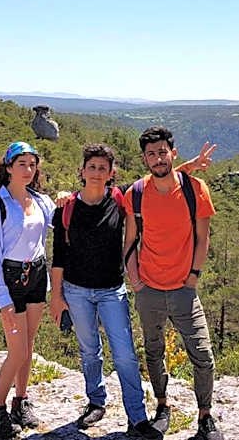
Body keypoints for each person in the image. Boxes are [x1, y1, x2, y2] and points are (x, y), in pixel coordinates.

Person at [50, 144, 163, 439]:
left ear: (111, 173)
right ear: (82, 171)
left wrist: (188, 166)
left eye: (103, 168)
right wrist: (56, 296)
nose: (97, 172)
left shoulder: (119, 198)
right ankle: (96, 401)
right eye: (92, 167)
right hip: (76, 290)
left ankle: (137, 418)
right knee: (89, 351)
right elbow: (59, 256)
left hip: (112, 290)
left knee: (124, 354)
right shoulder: (66, 208)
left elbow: (156, 180)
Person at [123, 126, 223, 440]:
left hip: (183, 289)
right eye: (151, 154)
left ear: (173, 153)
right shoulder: (136, 193)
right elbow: (130, 241)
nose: (157, 158)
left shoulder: (195, 189)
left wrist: (193, 277)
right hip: (149, 288)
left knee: (203, 355)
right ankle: (163, 406)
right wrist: (136, 281)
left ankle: (205, 415)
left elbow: (203, 238)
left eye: (162, 152)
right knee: (153, 353)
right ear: (144, 159)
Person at [0, 141, 56, 439]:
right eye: (21, 164)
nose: (28, 169)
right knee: (18, 350)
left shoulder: (41, 201)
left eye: (32, 164)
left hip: (36, 275)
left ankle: (20, 401)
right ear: (8, 167)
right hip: (11, 280)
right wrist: (2, 300)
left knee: (29, 344)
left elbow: (66, 216)